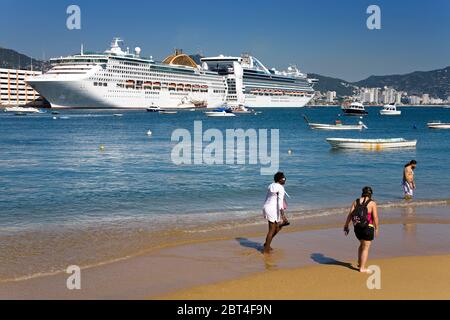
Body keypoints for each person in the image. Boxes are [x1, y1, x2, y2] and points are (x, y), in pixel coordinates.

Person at [343, 186, 379, 273]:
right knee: (366, 247)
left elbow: (350, 215)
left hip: (357, 228)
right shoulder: (372, 203)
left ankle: (360, 263)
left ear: (362, 193)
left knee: (362, 244)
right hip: (367, 228)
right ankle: (362, 268)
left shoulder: (356, 201)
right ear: (370, 194)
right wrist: (376, 228)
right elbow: (375, 217)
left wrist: (346, 225)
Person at [262, 172, 290, 254]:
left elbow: (267, 198)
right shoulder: (280, 188)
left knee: (278, 227)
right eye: (284, 178)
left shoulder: (271, 185)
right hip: (273, 208)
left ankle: (267, 244)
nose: (285, 180)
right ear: (279, 179)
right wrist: (283, 215)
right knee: (272, 229)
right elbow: (280, 202)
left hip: (267, 207)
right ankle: (266, 250)